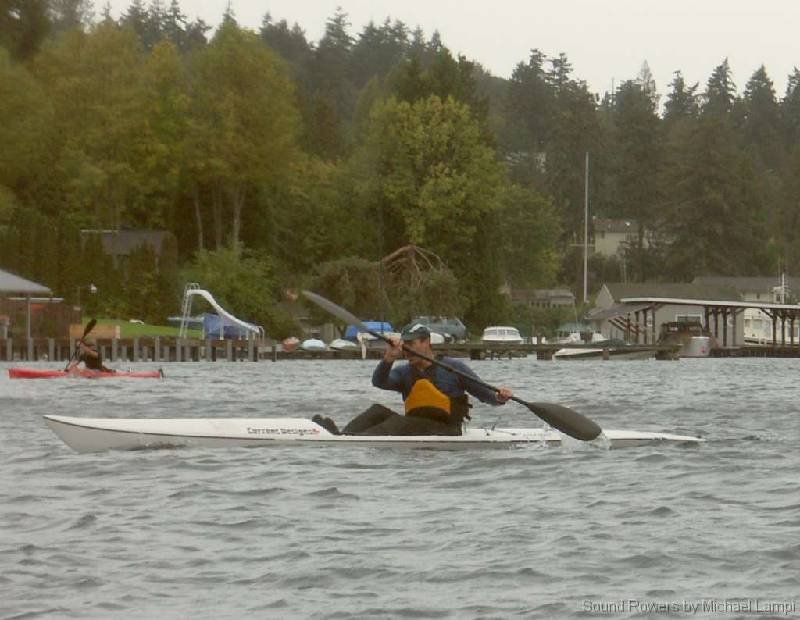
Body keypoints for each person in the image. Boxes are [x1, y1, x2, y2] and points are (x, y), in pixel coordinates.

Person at [313, 323, 513, 436]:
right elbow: (379, 382)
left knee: (398, 423)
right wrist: (388, 359)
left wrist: (500, 397)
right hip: (414, 424)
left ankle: (354, 440)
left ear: (426, 342)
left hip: (446, 430)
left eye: (411, 343)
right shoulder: (404, 372)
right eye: (404, 344)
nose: (406, 349)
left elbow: (485, 394)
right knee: (377, 411)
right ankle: (343, 437)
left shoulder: (454, 368)